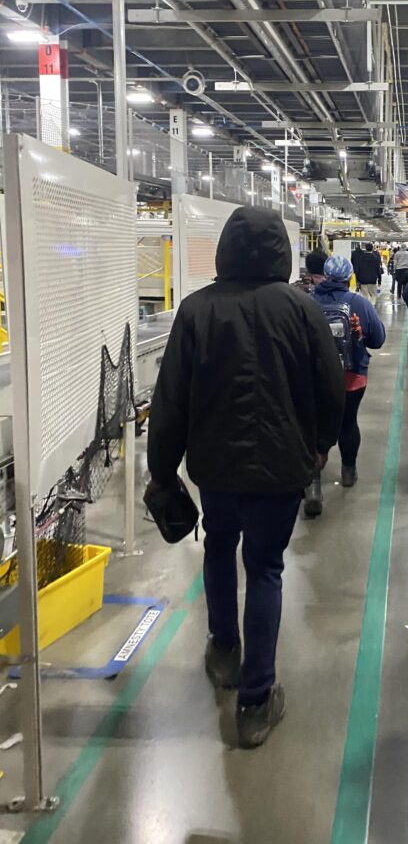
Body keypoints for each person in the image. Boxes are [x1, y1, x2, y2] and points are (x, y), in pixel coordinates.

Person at [147, 207, 345, 748]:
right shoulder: (301, 310)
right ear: (281, 251)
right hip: (282, 471)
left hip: (215, 468)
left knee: (217, 549)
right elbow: (332, 388)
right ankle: (255, 704)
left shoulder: (195, 312)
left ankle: (222, 650)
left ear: (225, 249)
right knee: (265, 571)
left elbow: (169, 403)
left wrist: (161, 473)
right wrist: (319, 446)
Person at [310, 255, 386, 495]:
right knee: (348, 423)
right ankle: (348, 471)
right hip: (351, 377)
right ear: (349, 277)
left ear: (325, 275)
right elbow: (377, 340)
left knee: (314, 426)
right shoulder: (360, 303)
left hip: (316, 379)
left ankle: (313, 484)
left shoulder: (308, 302)